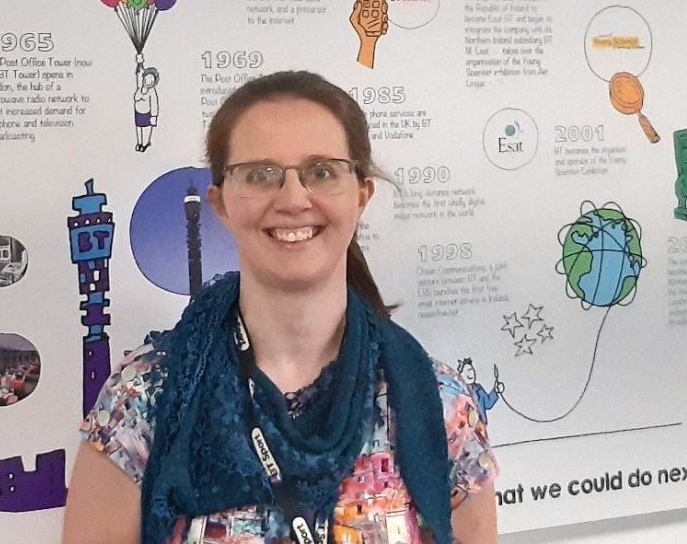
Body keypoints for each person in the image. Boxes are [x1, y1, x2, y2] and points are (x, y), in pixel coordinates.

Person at [64, 71, 498, 543]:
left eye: (322, 171)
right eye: (260, 175)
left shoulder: (439, 402)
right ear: (221, 204)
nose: (293, 198)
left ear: (362, 195)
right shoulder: (142, 400)